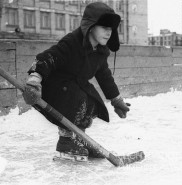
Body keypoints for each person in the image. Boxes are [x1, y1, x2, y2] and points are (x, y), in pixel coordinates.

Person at [23, 2, 130, 160]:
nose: (109, 32)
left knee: (92, 103)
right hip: (54, 86)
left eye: (111, 29)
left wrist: (116, 99)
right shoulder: (72, 42)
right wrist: (34, 80)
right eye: (104, 27)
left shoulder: (100, 51)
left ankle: (80, 140)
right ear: (91, 26)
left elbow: (104, 75)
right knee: (77, 99)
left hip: (75, 84)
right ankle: (66, 142)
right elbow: (48, 58)